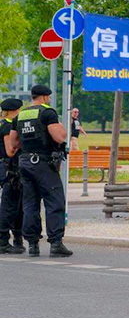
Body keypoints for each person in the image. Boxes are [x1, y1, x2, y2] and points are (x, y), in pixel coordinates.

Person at [4, 85, 71, 257]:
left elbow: (14, 143)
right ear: (45, 97)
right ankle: (56, 243)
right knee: (54, 201)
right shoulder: (48, 113)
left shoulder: (20, 115)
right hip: (44, 163)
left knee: (30, 204)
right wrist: (62, 128)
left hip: (25, 163)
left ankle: (33, 245)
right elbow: (59, 137)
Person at [0, 98, 25, 255]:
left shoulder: (2, 124)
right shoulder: (8, 126)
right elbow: (10, 150)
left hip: (5, 167)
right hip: (10, 169)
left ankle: (16, 239)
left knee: (16, 204)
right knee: (10, 205)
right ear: (15, 111)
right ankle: (3, 240)